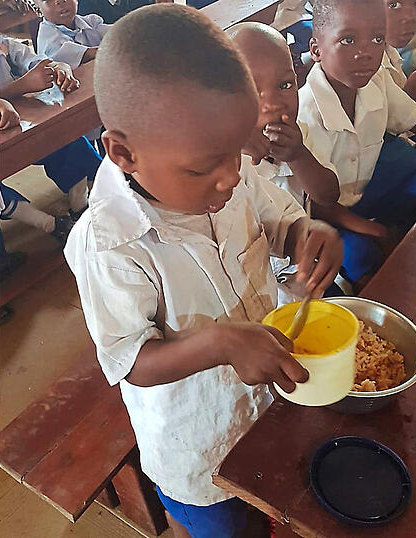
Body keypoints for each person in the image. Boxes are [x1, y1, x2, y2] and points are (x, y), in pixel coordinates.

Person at [64, 6, 343, 537]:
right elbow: (131, 360)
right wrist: (218, 345)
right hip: (199, 447)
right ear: (124, 153)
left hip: (269, 408)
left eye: (236, 154)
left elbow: (282, 220)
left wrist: (310, 234)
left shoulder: (224, 169)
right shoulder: (108, 245)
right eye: (203, 168)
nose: (229, 178)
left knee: (280, 508)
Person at [299, 0, 416, 286]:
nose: (366, 52)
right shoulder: (305, 116)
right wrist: (374, 231)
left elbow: (415, 120)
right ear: (316, 49)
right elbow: (319, 205)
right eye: (348, 40)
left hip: (368, 189)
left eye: (377, 38)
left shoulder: (376, 80)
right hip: (331, 216)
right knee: (359, 256)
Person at [228, 22, 346, 301]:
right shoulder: (223, 160)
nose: (273, 104)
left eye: (284, 85)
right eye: (253, 91)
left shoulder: (300, 132)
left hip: (302, 262)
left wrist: (298, 155)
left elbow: (328, 195)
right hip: (256, 290)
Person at [0, 34, 102, 240]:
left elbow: (36, 62)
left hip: (21, 123)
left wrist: (59, 67)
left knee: (67, 139)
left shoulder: (3, 44)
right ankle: (51, 224)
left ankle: (80, 206)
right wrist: (22, 86)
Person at [35, 0, 111, 68]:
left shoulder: (90, 22)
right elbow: (88, 54)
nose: (60, 1)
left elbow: (113, 32)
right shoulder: (48, 39)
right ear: (37, 9)